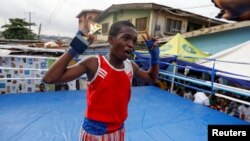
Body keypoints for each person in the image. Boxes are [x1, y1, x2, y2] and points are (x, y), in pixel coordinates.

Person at [43, 19, 159, 141]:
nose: (131, 44)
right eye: (126, 38)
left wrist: (155, 56)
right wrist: (74, 49)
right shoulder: (94, 63)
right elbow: (49, 78)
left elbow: (152, 78)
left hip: (119, 129)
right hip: (95, 132)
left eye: (134, 41)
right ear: (110, 40)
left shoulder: (131, 66)